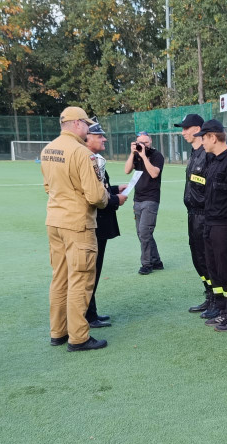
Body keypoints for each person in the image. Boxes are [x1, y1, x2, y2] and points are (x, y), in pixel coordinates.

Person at [42, 106, 109, 351]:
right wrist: (105, 197)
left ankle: (58, 331)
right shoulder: (82, 153)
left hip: (55, 220)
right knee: (80, 279)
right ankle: (79, 337)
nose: (89, 128)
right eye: (87, 124)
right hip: (77, 223)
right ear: (78, 123)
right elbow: (94, 196)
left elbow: (47, 187)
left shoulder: (48, 149)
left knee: (59, 278)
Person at [196, 119, 227, 331]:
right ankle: (222, 309)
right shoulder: (212, 160)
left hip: (226, 226)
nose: (202, 143)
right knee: (214, 269)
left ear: (213, 137)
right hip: (210, 223)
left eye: (204, 138)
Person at [84, 122, 127, 329]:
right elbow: (94, 196)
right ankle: (87, 316)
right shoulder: (86, 160)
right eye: (99, 136)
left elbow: (102, 188)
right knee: (90, 272)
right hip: (94, 223)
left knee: (94, 271)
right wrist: (115, 199)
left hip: (99, 223)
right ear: (87, 137)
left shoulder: (94, 159)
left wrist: (117, 188)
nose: (104, 139)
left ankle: (91, 313)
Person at [175, 114, 212, 314]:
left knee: (208, 258)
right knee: (198, 257)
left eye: (186, 128)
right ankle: (209, 294)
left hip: (205, 215)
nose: (183, 132)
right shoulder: (194, 153)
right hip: (193, 215)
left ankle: (218, 299)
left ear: (197, 128)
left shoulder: (207, 154)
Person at [124, 130, 165, 275]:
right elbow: (127, 170)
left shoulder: (156, 155)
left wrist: (143, 156)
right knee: (142, 233)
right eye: (140, 142)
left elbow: (154, 173)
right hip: (138, 199)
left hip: (151, 199)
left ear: (150, 141)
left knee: (144, 233)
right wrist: (132, 153)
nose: (143, 145)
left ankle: (146, 264)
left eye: (146, 142)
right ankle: (156, 261)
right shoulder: (136, 155)